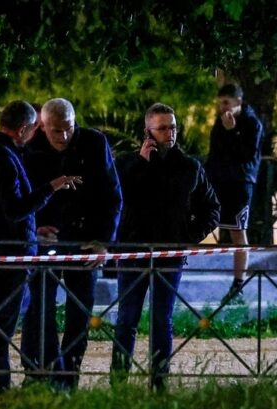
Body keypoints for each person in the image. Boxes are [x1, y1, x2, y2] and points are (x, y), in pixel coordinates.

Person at [0, 100, 80, 390]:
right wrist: (51, 187)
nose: (36, 133)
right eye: (35, 128)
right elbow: (15, 208)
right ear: (22, 130)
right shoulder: (5, 158)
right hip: (9, 257)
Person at [111, 103, 220, 388]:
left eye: (173, 127)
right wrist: (140, 162)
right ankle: (118, 382)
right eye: (162, 128)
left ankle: (159, 383)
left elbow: (211, 208)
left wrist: (187, 237)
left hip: (170, 255)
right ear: (148, 131)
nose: (169, 133)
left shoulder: (189, 167)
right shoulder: (127, 163)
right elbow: (118, 198)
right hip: (133, 252)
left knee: (162, 320)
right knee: (127, 319)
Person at [21, 97, 122, 389]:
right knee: (40, 310)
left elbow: (112, 195)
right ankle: (40, 373)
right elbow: (21, 197)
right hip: (45, 240)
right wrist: (34, 228)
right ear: (42, 126)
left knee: (80, 311)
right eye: (56, 130)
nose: (64, 136)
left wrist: (103, 242)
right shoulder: (29, 148)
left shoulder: (94, 143)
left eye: (69, 128)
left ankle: (68, 376)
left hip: (85, 239)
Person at [204, 83, 263, 303]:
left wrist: (232, 132)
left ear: (238, 101)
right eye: (220, 103)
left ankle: (238, 284)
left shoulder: (252, 123)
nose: (223, 107)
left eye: (226, 103)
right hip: (218, 181)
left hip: (239, 182)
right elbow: (214, 153)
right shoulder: (220, 123)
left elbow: (247, 155)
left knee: (238, 231)